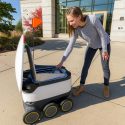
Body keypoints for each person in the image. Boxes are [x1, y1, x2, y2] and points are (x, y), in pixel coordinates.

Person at [56, 7, 111, 98]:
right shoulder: (75, 28)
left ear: (79, 17)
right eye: (69, 21)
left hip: (104, 43)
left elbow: (102, 35)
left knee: (105, 66)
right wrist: (62, 61)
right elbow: (70, 45)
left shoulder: (92, 19)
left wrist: (104, 50)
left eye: (71, 20)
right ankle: (81, 87)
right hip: (92, 45)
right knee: (85, 66)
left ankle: (106, 86)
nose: (70, 23)